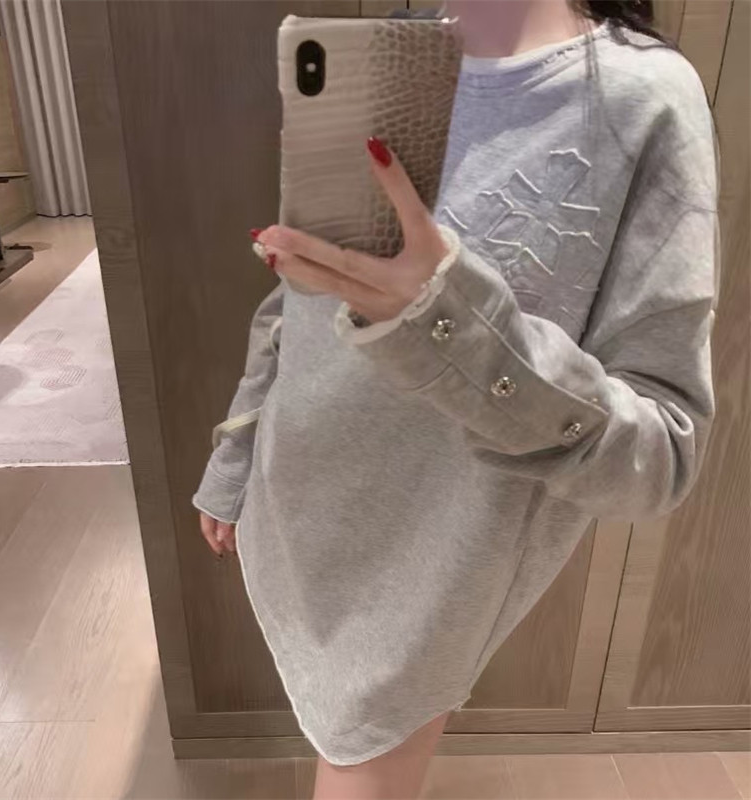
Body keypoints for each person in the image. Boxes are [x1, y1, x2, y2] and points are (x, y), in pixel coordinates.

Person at [194, 0, 719, 796]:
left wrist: (445, 318)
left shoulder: (642, 99)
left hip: (431, 568)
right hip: (290, 499)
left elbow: (661, 457)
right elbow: (299, 297)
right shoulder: (389, 54)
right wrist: (236, 453)